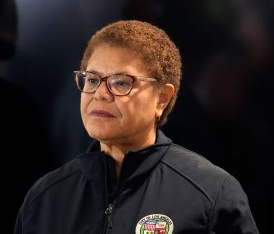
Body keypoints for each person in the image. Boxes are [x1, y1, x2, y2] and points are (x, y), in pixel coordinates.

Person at [14, 20, 259, 234]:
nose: (100, 94)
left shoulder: (212, 193)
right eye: (92, 79)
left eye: (121, 83)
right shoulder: (45, 197)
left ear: (162, 98)